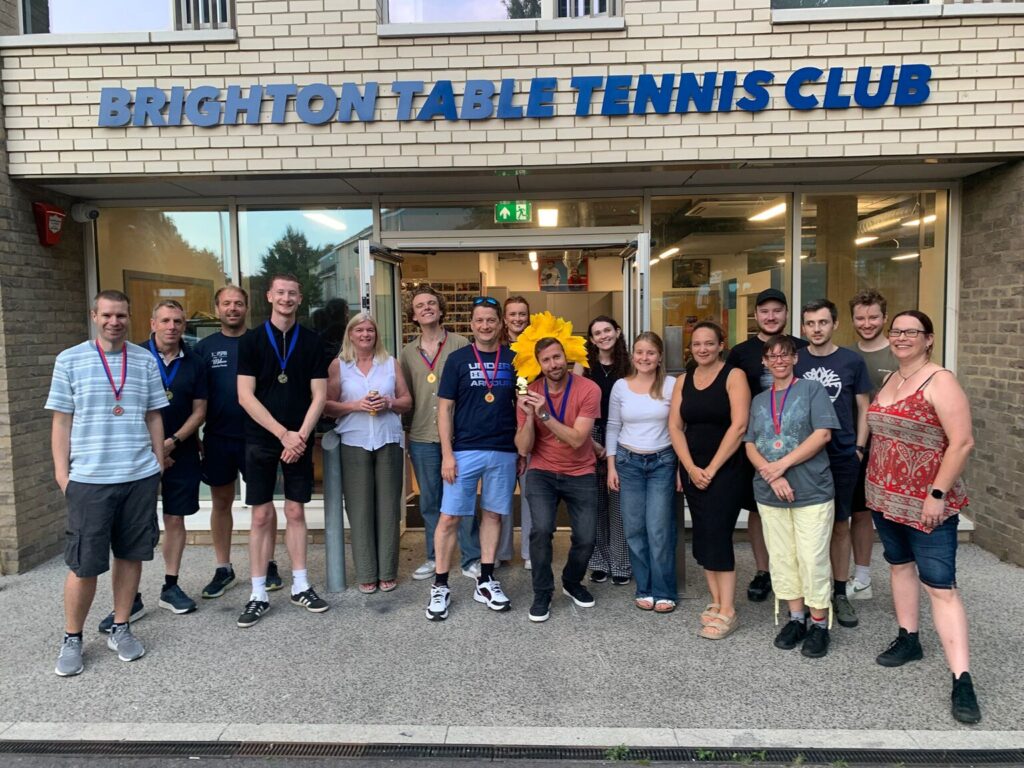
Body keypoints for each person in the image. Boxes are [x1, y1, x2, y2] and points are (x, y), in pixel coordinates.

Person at [865, 310, 980, 725]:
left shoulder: (940, 381)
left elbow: (962, 443)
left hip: (927, 503)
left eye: (910, 332)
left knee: (940, 585)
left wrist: (936, 494)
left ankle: (962, 678)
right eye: (896, 331)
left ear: (928, 338)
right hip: (885, 497)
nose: (901, 337)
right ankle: (909, 638)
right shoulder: (892, 379)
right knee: (899, 566)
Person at [47, 290, 167, 676]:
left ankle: (120, 626)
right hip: (90, 479)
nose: (114, 322)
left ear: (130, 317)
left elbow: (153, 415)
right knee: (84, 564)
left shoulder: (144, 360)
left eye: (121, 315)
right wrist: (62, 475)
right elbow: (61, 421)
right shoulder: (70, 360)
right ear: (94, 316)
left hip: (137, 476)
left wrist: (157, 464)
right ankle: (72, 638)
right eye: (107, 315)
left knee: (131, 555)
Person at [235, 274, 329, 628]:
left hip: (299, 437)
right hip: (261, 438)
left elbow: (320, 395)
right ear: (270, 296)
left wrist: (299, 437)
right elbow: (245, 396)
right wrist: (282, 435)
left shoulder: (312, 341)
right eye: (281, 293)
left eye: (292, 293)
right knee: (261, 516)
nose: (286, 298)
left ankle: (301, 585)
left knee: (295, 511)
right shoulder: (252, 340)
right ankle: (258, 592)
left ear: (300, 299)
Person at [744, 335, 839, 659]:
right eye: (772, 356)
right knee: (783, 558)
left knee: (812, 558)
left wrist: (781, 466)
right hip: (770, 493)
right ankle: (796, 618)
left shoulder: (812, 390)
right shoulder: (759, 400)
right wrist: (771, 474)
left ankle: (819, 624)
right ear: (764, 361)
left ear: (795, 358)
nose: (779, 361)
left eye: (785, 355)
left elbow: (823, 434)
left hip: (811, 490)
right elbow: (750, 444)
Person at [427, 296, 517, 621]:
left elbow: (524, 405)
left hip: (504, 449)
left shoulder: (515, 358)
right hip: (464, 450)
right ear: (471, 324)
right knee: (449, 518)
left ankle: (486, 579)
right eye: (479, 320)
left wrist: (522, 450)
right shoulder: (457, 359)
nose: (485, 325)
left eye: (491, 320)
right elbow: (444, 409)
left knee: (493, 515)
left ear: (500, 323)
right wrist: (447, 454)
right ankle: (440, 585)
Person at [196, 286, 282, 600]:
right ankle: (223, 568)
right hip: (219, 437)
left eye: (238, 303)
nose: (232, 308)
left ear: (247, 307)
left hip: (258, 437)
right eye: (226, 303)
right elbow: (197, 397)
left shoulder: (262, 342)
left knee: (263, 504)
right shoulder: (204, 348)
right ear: (217, 308)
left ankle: (268, 563)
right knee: (221, 502)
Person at [725, 288, 808, 603]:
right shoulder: (740, 353)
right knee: (758, 508)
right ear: (756, 315)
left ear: (786, 313)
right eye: (764, 311)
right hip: (756, 445)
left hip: (799, 445)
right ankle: (764, 571)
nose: (770, 316)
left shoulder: (803, 348)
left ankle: (798, 572)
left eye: (777, 310)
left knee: (800, 508)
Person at [794, 299, 872, 631]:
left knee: (840, 524)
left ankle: (839, 592)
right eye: (810, 323)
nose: (817, 329)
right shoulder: (796, 360)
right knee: (806, 529)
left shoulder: (851, 361)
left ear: (835, 324)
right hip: (804, 457)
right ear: (803, 327)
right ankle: (809, 593)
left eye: (823, 322)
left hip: (842, 455)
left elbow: (864, 407)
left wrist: (858, 448)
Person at [669, 322, 750, 639]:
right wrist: (690, 467)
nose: (702, 349)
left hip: (725, 470)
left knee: (718, 535)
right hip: (694, 470)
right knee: (703, 536)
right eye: (697, 344)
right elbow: (675, 427)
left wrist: (712, 468)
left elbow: (739, 426)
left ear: (720, 345)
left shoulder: (734, 376)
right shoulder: (683, 380)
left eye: (709, 343)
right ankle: (716, 601)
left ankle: (728, 610)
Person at [515, 337, 601, 622]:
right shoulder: (531, 392)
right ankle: (542, 592)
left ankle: (572, 582)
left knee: (586, 537)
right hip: (542, 471)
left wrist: (543, 413)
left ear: (566, 357)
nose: (553, 364)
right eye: (546, 360)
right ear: (539, 364)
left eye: (557, 357)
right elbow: (524, 448)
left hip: (581, 470)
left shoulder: (588, 389)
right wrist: (529, 416)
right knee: (540, 531)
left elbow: (577, 439)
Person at [325, 313, 412, 594]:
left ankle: (387, 571)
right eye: (359, 330)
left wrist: (389, 402)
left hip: (388, 440)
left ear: (376, 334)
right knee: (359, 508)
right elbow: (326, 405)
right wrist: (355, 406)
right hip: (354, 440)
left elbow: (407, 401)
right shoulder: (339, 365)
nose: (365, 334)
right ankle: (366, 572)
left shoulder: (390, 363)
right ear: (350, 335)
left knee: (388, 508)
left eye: (370, 330)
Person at [399, 286, 478, 583]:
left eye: (432, 303)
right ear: (413, 315)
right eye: (420, 305)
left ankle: (471, 558)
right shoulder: (408, 353)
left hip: (460, 435)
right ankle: (434, 557)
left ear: (441, 309)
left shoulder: (461, 344)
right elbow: (407, 396)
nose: (427, 308)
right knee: (430, 501)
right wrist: (407, 433)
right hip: (422, 436)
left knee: (464, 499)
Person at [140, 300, 207, 616]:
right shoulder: (135, 357)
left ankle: (170, 586)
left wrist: (172, 442)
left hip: (181, 450)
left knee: (175, 518)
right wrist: (155, 449)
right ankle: (131, 594)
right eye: (165, 321)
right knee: (135, 522)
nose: (172, 327)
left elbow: (200, 411)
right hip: (140, 453)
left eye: (177, 321)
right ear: (152, 323)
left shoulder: (195, 361)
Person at [606, 332, 679, 614]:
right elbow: (613, 426)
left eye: (650, 352)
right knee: (634, 529)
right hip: (628, 462)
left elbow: (679, 428)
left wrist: (680, 468)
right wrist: (611, 465)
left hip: (662, 462)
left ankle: (664, 590)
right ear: (632, 355)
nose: (644, 358)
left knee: (658, 529)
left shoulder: (672, 385)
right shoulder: (620, 386)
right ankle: (644, 588)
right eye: (639, 352)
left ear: (659, 356)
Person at [846, 288, 898, 600]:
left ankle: (871, 576)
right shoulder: (846, 355)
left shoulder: (899, 353)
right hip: (854, 445)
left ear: (884, 318)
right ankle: (852, 577)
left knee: (876, 514)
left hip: (889, 446)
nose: (867, 323)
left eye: (873, 317)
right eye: (860, 318)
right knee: (855, 511)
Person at [583, 315, 632, 586]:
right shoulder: (584, 365)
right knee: (595, 503)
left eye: (607, 330)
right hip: (589, 434)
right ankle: (599, 562)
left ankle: (621, 562)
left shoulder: (630, 365)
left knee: (618, 502)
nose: (603, 336)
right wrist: (591, 441)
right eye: (597, 333)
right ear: (592, 340)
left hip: (623, 436)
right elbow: (574, 401)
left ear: (618, 331)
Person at [500, 295, 532, 568]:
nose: (518, 319)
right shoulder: (496, 349)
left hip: (532, 430)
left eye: (522, 314)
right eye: (513, 314)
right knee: (501, 493)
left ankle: (531, 552)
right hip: (501, 429)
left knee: (531, 493)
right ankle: (500, 551)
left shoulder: (537, 345)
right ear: (504, 318)